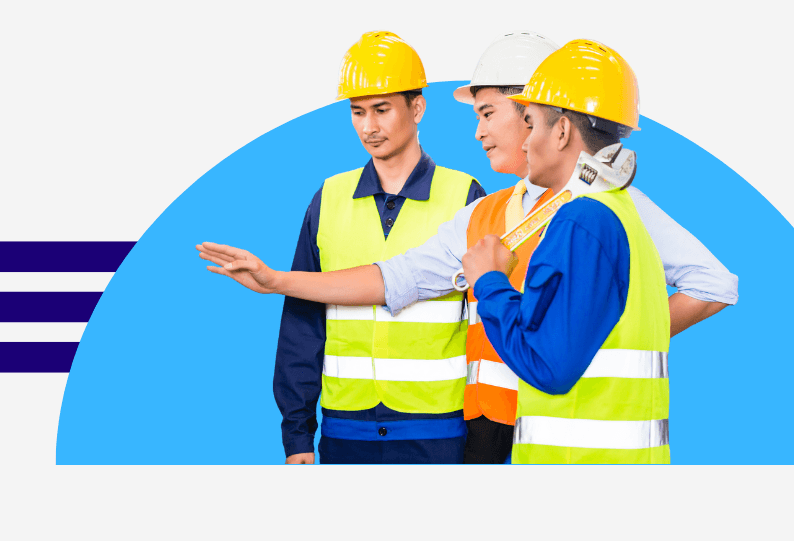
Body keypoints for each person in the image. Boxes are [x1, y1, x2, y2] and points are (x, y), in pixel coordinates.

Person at [199, 32, 737, 463]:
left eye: (489, 113)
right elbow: (396, 279)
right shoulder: (485, 212)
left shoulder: (609, 206)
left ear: (543, 114)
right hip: (490, 432)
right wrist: (277, 281)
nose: (479, 132)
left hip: (562, 428)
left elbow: (714, 286)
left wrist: (591, 338)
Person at [202, 31, 485, 464]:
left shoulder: (464, 196)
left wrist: (486, 435)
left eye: (382, 110)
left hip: (439, 428)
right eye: (357, 112)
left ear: (417, 107)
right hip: (346, 428)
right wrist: (297, 434)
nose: (369, 127)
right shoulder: (329, 199)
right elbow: (302, 321)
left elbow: (485, 325)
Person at [460, 38, 672, 463]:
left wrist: (490, 282)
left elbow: (548, 367)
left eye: (532, 123)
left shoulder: (580, 222)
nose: (524, 141)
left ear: (561, 131)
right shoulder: (618, 212)